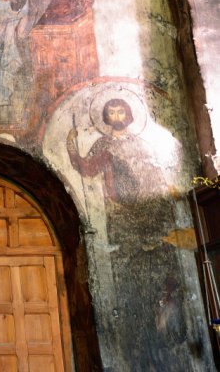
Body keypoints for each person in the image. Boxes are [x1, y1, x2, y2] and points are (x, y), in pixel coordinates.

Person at [67, 97, 186, 369]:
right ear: (106, 116)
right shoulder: (104, 144)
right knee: (129, 270)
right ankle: (135, 337)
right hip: (121, 213)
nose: (117, 115)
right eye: (112, 111)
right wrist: (71, 145)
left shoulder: (142, 143)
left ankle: (168, 327)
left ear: (129, 113)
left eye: (121, 110)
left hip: (154, 212)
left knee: (164, 267)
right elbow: (87, 168)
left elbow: (158, 172)